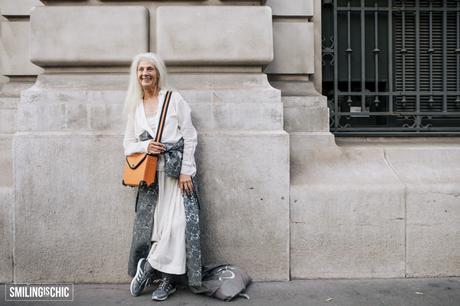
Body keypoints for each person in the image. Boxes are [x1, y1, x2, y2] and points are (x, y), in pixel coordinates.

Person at [123, 53, 202, 301]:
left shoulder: (173, 99)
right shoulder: (135, 107)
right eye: (141, 70)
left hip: (176, 173)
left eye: (150, 69)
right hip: (151, 178)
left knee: (178, 226)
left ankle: (148, 268)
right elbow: (127, 145)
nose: (145, 73)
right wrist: (145, 147)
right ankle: (166, 281)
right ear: (136, 75)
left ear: (158, 73)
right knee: (157, 230)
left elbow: (190, 135)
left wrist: (187, 170)